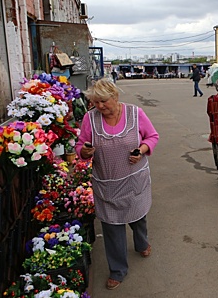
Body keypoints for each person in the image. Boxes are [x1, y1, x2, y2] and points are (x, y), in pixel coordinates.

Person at [75, 78, 159, 290]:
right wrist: (84, 152)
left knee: (137, 217)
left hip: (134, 180)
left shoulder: (135, 113)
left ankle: (142, 242)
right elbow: (80, 146)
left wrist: (140, 151)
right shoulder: (90, 118)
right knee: (112, 227)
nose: (99, 106)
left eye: (103, 101)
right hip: (106, 183)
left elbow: (152, 136)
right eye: (95, 102)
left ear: (115, 96)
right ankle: (118, 270)